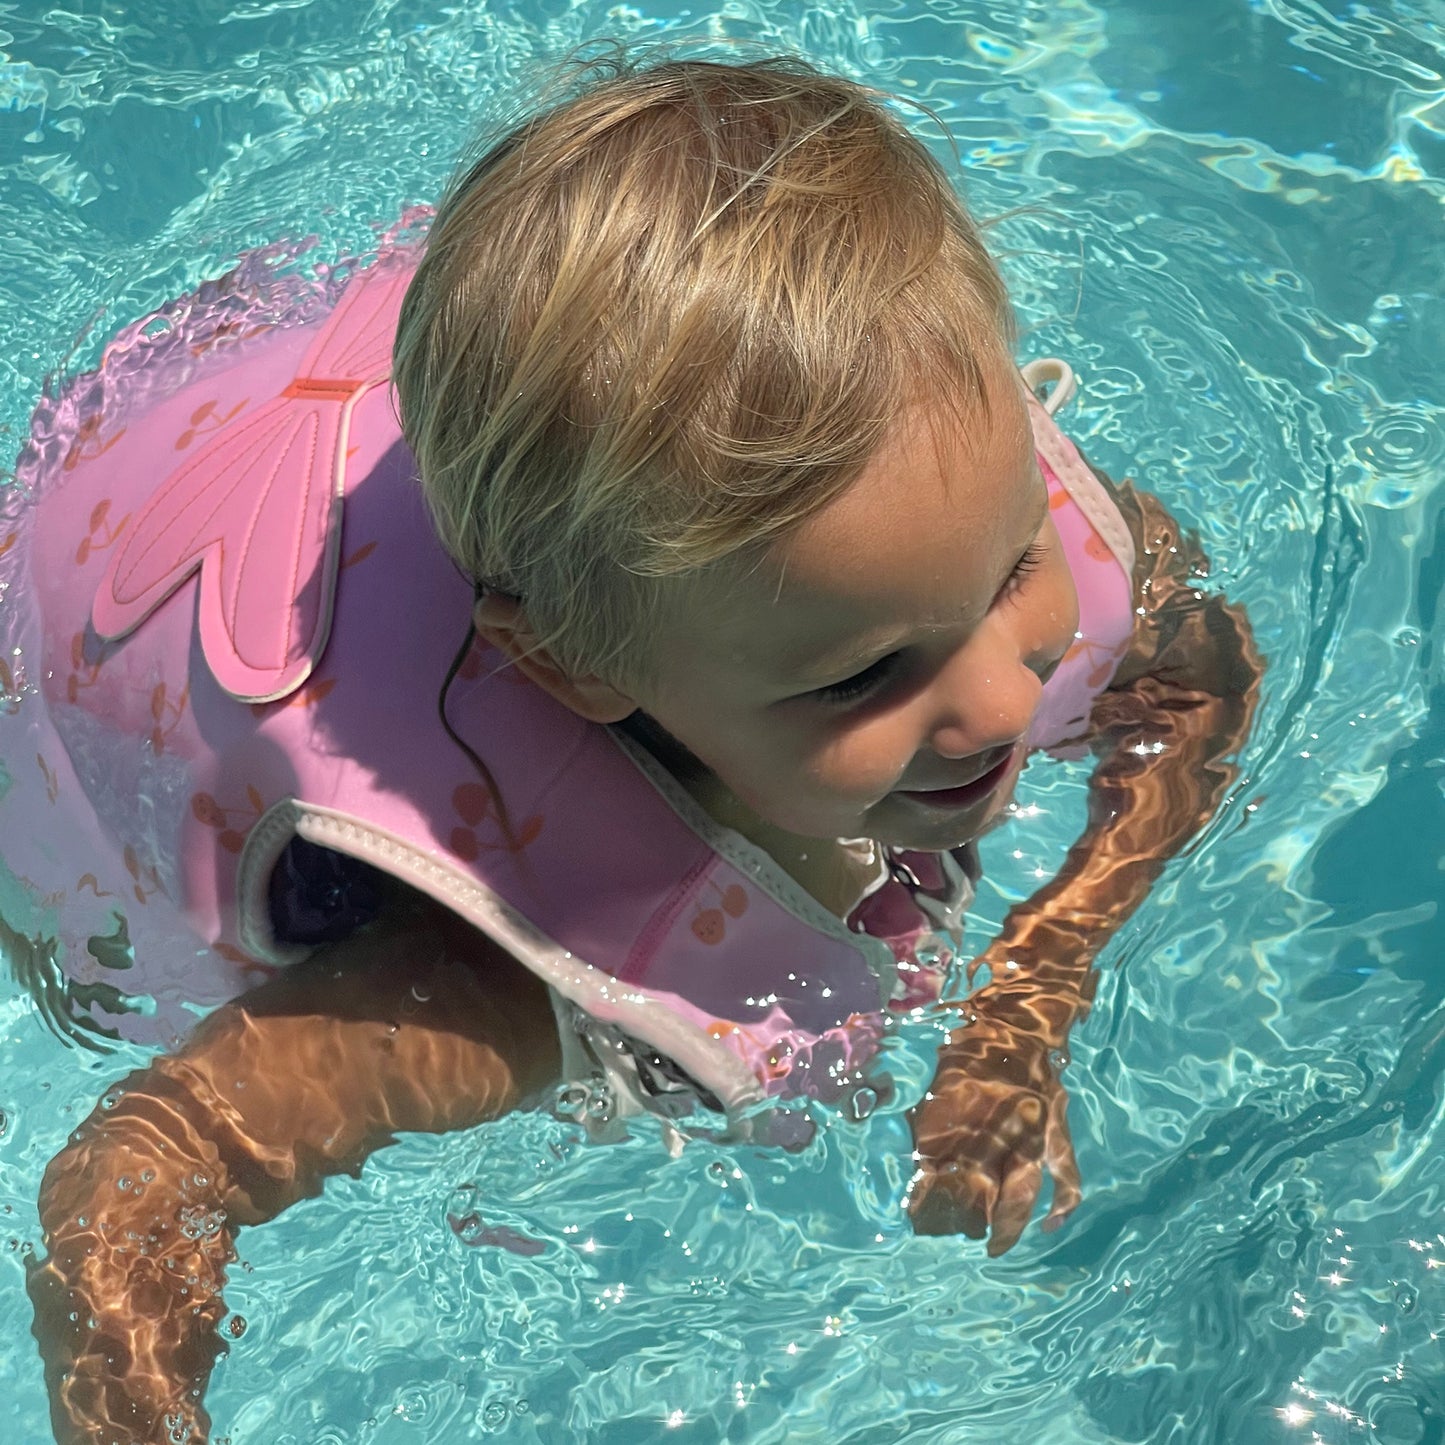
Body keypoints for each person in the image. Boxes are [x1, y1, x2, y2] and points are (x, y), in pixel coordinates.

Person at [15, 53, 1260, 1445]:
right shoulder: (485, 972)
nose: (997, 700)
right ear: (576, 669)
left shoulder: (925, 501)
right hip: (100, 631)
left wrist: (1032, 986)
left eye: (1012, 558)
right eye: (865, 673)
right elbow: (127, 1185)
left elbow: (1191, 674)